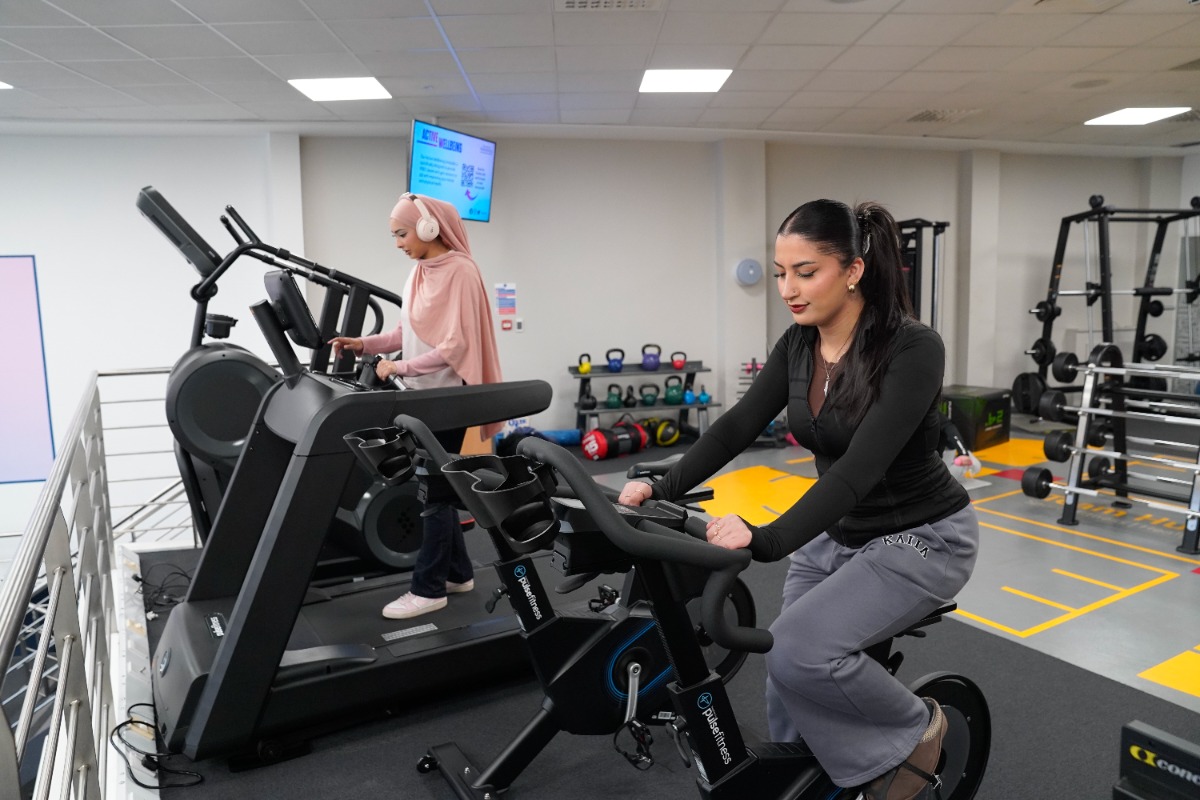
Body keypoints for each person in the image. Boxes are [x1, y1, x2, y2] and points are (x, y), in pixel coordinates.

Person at [618, 199, 979, 800]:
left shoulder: (913, 349)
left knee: (798, 655)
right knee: (783, 669)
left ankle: (919, 727)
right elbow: (736, 427)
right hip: (838, 534)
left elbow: (857, 472)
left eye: (805, 272)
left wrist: (767, 538)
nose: (787, 287)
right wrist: (662, 486)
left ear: (853, 270)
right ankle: (801, 781)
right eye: (782, 272)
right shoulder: (799, 343)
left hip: (920, 536)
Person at [330, 192, 503, 620]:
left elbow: (455, 346)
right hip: (419, 396)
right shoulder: (419, 273)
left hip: (446, 398)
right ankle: (458, 574)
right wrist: (365, 344)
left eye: (401, 233)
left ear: (428, 228)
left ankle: (427, 590)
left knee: (435, 494)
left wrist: (399, 366)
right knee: (436, 484)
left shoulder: (461, 271)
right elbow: (406, 331)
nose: (398, 243)